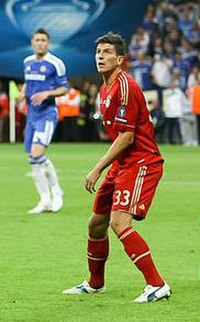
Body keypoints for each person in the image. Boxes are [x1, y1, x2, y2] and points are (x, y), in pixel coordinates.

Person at [62, 32, 171, 303]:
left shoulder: (124, 86)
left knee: (119, 222)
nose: (101, 56)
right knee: (96, 224)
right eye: (99, 51)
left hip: (141, 162)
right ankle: (95, 283)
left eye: (107, 52)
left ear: (120, 59)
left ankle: (157, 284)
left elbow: (127, 137)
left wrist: (97, 168)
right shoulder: (104, 87)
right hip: (123, 163)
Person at [19, 28, 68, 214]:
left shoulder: (56, 63)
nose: (40, 43)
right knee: (32, 159)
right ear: (32, 41)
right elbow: (28, 81)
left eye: (44, 40)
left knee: (37, 154)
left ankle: (57, 192)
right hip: (31, 116)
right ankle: (44, 200)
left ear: (48, 43)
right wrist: (23, 92)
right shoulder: (27, 62)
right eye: (37, 39)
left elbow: (64, 88)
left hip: (47, 115)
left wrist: (47, 93)